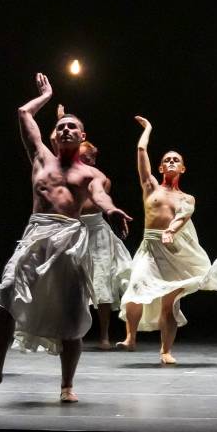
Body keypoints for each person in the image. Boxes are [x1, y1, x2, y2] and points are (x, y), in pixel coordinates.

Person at [0, 74, 130, 403]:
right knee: (7, 290)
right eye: (62, 127)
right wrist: (46, 95)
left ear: (82, 136)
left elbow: (100, 196)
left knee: (71, 315)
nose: (67, 130)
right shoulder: (41, 158)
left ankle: (67, 386)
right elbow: (23, 113)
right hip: (36, 233)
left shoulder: (90, 174)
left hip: (69, 239)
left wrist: (112, 211)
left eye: (73, 127)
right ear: (54, 134)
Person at [118, 116, 217, 365]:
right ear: (160, 168)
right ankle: (130, 337)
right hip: (149, 248)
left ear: (182, 168)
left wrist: (171, 230)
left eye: (176, 160)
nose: (171, 162)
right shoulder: (150, 187)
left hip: (172, 250)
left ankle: (165, 350)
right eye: (167, 160)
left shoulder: (187, 197)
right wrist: (148, 129)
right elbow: (140, 150)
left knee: (168, 303)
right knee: (136, 287)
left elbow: (182, 217)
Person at [71, 130, 132, 350]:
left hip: (97, 232)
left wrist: (113, 211)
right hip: (75, 232)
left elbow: (96, 202)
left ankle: (104, 335)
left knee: (102, 283)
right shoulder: (69, 176)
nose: (91, 161)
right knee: (72, 284)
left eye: (93, 158)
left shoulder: (101, 179)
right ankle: (70, 334)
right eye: (86, 157)